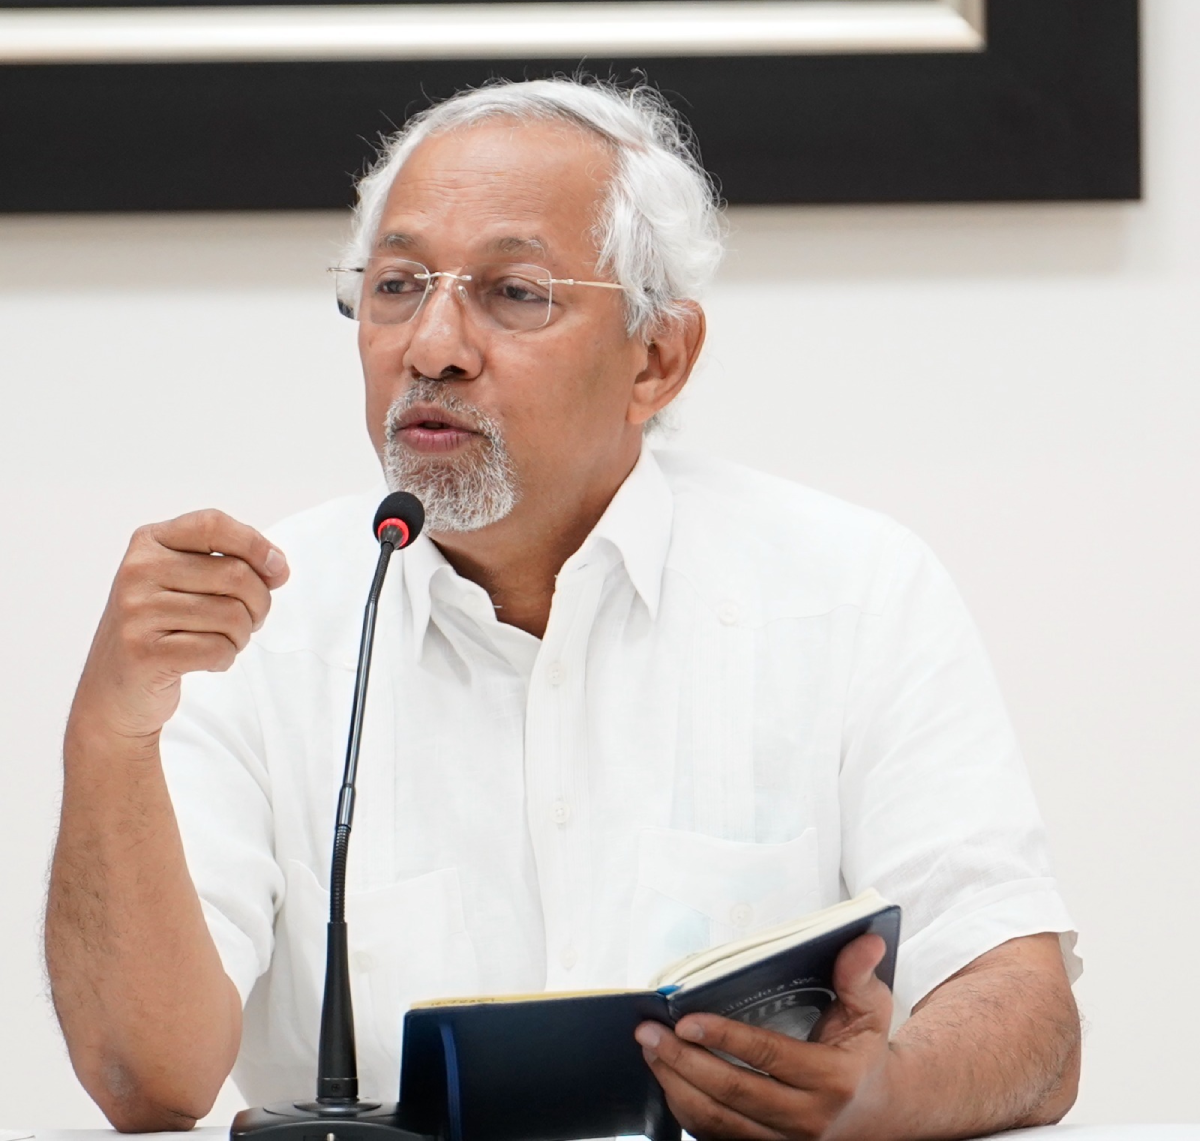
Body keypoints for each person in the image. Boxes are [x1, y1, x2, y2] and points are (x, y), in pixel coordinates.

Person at [45, 78, 1082, 1139]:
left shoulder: (851, 590)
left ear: (658, 356)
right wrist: (111, 731)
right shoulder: (259, 624)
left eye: (514, 293)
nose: (432, 346)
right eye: (398, 284)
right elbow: (148, 1080)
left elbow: (1030, 1017)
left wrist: (887, 1094)